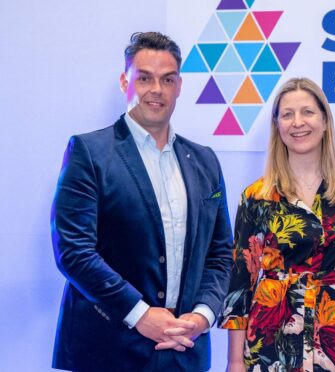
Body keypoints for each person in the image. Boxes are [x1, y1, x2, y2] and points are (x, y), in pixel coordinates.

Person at [51, 31, 233, 371]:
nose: (156, 90)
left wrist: (203, 316)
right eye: (144, 78)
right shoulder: (89, 152)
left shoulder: (205, 160)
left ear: (179, 86)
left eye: (167, 80)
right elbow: (73, 251)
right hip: (107, 351)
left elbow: (220, 253)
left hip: (185, 350)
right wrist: (140, 315)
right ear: (125, 81)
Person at [218, 78, 335, 372]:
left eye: (308, 112)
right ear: (277, 125)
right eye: (287, 114)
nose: (297, 122)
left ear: (325, 121)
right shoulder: (257, 197)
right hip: (271, 339)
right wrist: (234, 362)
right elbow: (239, 284)